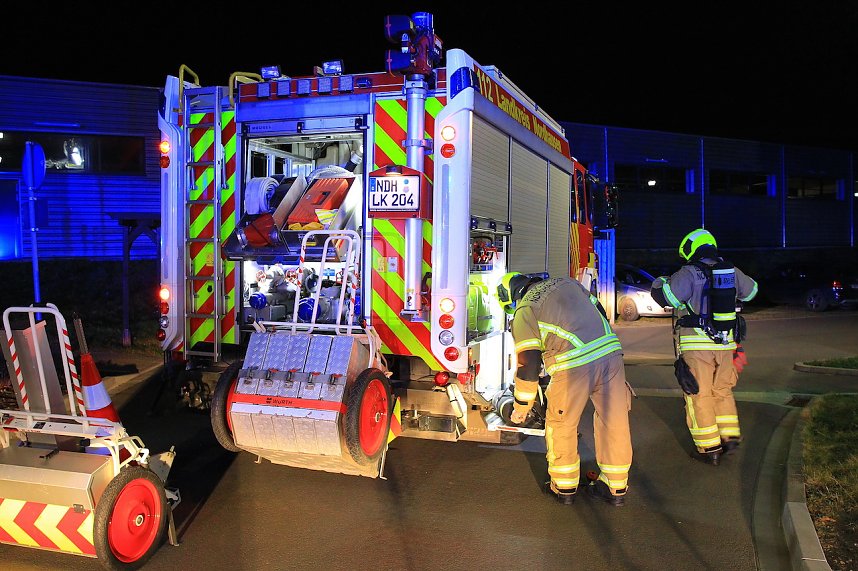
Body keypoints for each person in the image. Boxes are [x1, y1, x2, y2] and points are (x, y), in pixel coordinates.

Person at [496, 272, 633, 507]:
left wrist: (521, 405)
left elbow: (528, 363)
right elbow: (599, 309)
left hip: (572, 367)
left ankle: (565, 487)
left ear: (512, 298)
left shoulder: (525, 309)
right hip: (610, 354)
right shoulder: (566, 282)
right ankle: (615, 487)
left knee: (562, 425)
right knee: (615, 421)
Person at [650, 228, 758, 466]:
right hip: (726, 343)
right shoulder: (730, 270)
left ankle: (709, 448)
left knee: (699, 395)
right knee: (722, 391)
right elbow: (752, 292)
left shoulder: (688, 272)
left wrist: (660, 282)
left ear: (690, 249)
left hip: (697, 345)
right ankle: (729, 438)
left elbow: (667, 298)